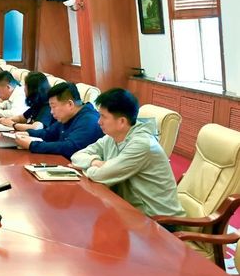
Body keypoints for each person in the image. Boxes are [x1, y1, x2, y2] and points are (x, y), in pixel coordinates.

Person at [71, 88, 185, 218]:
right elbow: (76, 157)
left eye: (103, 116)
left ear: (122, 122)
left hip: (158, 221)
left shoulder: (142, 144)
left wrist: (92, 167)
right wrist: (95, 162)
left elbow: (100, 175)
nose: (99, 121)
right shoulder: (111, 137)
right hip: (129, 211)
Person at [15, 82, 103, 159]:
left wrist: (32, 145)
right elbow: (48, 133)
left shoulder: (89, 120)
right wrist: (27, 134)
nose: (51, 112)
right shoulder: (67, 117)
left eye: (53, 107)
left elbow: (69, 147)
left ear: (70, 104)